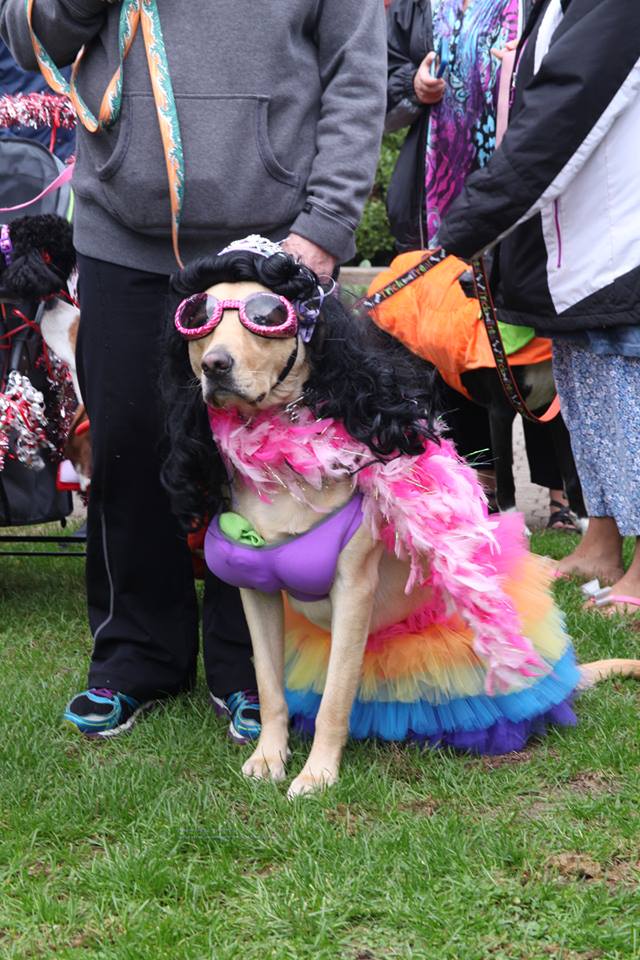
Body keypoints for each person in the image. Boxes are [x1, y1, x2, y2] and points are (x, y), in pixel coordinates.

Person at [0, 0, 387, 736]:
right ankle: (136, 655)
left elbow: (357, 70)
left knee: (266, 461)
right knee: (125, 446)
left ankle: (254, 671)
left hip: (271, 239)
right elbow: (30, 35)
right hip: (121, 231)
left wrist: (328, 224)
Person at [438, 0, 640, 609]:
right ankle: (601, 544)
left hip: (621, 241)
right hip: (579, 247)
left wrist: (470, 223)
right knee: (591, 404)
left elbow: (564, 112)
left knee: (628, 410)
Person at [385, 0, 579, 530]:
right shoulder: (415, 6)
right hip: (439, 197)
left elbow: (576, 73)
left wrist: (523, 68)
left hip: (523, 195)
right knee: (454, 345)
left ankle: (562, 493)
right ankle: (483, 483)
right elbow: (375, 81)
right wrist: (411, 86)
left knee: (535, 338)